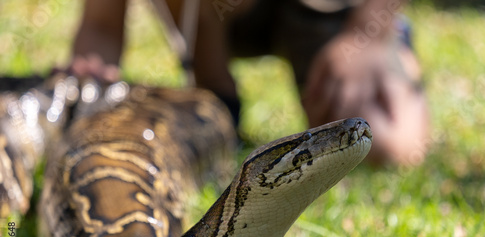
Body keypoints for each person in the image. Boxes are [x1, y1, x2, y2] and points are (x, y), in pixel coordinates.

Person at [68, 0, 429, 166]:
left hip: (330, 11)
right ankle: (219, 106)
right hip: (224, 12)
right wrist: (88, 78)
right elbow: (101, 26)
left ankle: (392, 43)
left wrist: (363, 36)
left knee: (378, 146)